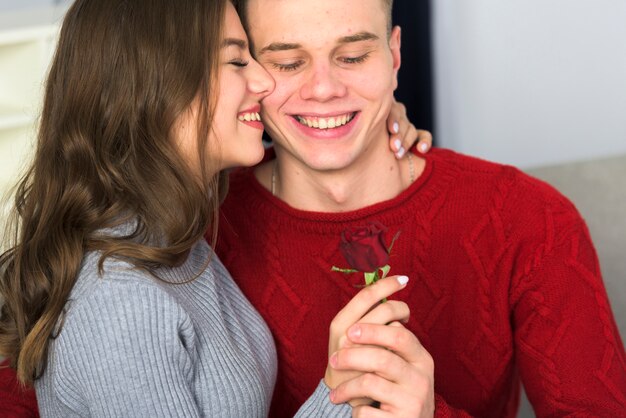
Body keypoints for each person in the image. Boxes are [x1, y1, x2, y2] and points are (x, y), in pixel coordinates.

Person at [0, 0, 433, 416]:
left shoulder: (177, 236)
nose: (263, 82)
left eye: (354, 56)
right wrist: (340, 392)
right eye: (238, 61)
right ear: (162, 85)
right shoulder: (121, 302)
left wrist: (372, 113)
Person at [214, 0, 626, 416]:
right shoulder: (200, 229)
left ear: (394, 55)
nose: (324, 88)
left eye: (353, 57)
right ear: (244, 71)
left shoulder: (532, 219)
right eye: (287, 63)